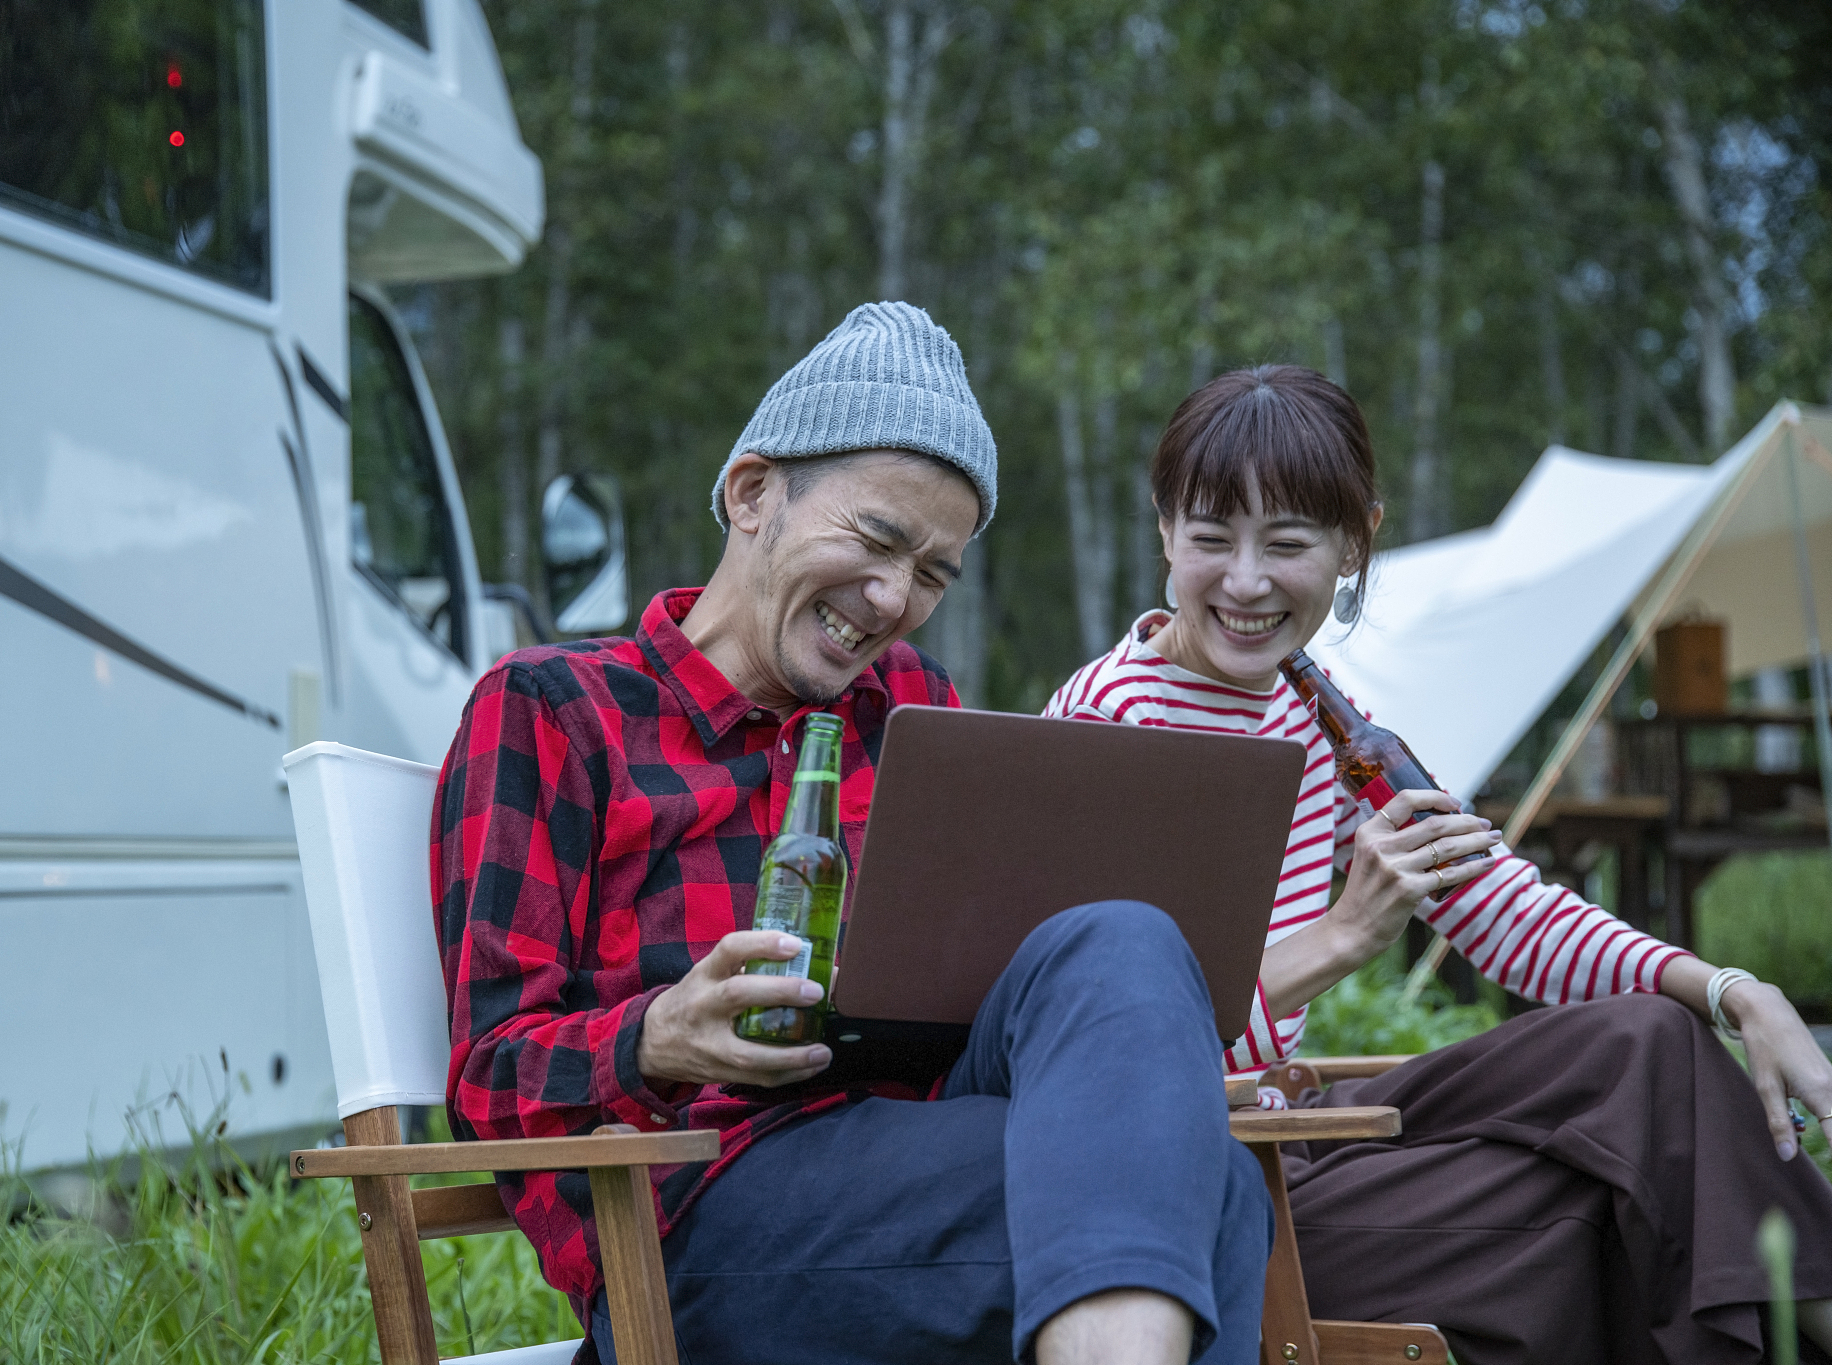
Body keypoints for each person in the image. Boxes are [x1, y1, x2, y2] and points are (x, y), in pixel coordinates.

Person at [430, 303, 1272, 1365]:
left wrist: (1131, 1063)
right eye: (876, 540)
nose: (890, 599)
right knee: (1202, 1189)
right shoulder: (554, 708)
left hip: (917, 1150)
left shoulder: (912, 707)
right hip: (703, 1208)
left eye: (930, 574)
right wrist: (655, 1037)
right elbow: (484, 1079)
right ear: (751, 493)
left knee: (1125, 938)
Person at [1046, 363, 1832, 1365]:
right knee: (1611, 1198)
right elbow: (1110, 1048)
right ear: (1162, 533)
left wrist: (1726, 988)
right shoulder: (1108, 725)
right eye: (1208, 538)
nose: (1243, 582)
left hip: (1300, 1128)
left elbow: (1506, 913)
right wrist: (1340, 939)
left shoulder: (1314, 710)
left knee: (1651, 1042)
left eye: (1285, 544)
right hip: (1200, 1184)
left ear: (1352, 545)